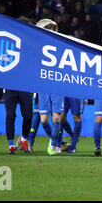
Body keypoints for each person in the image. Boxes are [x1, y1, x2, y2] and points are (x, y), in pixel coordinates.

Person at [28, 19, 64, 155]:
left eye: (54, 30)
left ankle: (55, 145)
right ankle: (54, 138)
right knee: (43, 120)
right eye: (50, 30)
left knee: (56, 117)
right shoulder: (38, 47)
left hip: (57, 86)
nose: (52, 32)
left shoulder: (61, 46)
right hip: (42, 87)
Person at [4, 16, 34, 154]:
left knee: (28, 115)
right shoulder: (9, 42)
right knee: (10, 115)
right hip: (10, 84)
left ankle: (23, 138)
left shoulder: (31, 45)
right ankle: (11, 144)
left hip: (25, 85)